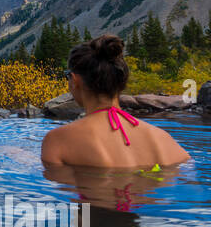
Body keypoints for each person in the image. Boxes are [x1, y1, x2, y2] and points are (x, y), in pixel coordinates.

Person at [40, 34, 190, 169]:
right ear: (121, 81)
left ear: (74, 80)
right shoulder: (163, 139)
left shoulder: (58, 141)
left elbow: (63, 189)